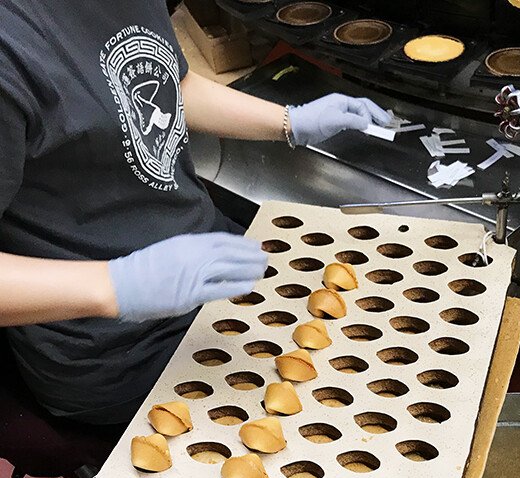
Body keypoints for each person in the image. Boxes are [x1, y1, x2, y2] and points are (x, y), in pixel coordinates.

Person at [0, 1, 390, 425]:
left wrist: (290, 121)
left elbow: (169, 86)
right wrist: (119, 285)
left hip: (209, 269)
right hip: (116, 346)